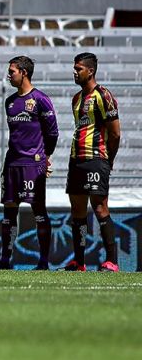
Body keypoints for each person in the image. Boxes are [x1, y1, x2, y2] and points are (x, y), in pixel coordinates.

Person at [0, 56, 59, 270]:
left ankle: (43, 262)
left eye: (12, 71)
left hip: (33, 164)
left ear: (24, 73)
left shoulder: (40, 99)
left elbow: (53, 133)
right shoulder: (9, 102)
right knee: (9, 211)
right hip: (12, 163)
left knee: (39, 211)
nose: (8, 75)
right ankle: (5, 260)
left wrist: (45, 156)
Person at [63, 52, 121, 272]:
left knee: (99, 207)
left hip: (96, 158)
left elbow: (115, 134)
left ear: (91, 71)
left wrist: (109, 160)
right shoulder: (76, 99)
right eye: (74, 68)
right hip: (76, 159)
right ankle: (79, 262)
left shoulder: (104, 96)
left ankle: (112, 261)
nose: (74, 72)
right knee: (77, 210)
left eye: (78, 69)